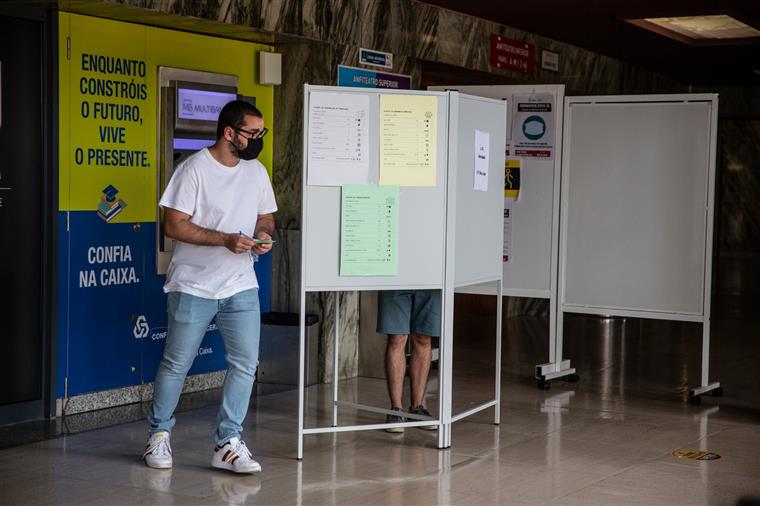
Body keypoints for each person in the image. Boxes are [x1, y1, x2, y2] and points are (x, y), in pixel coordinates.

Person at [142, 100, 276, 474]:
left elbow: (266, 215)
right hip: (193, 285)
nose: (258, 139)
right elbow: (174, 225)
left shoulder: (256, 171)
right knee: (176, 364)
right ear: (229, 133)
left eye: (261, 132)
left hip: (240, 284)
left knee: (245, 364)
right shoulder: (194, 170)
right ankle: (158, 436)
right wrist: (225, 240)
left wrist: (263, 234)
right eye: (253, 133)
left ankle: (228, 442)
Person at [377, 289, 440, 432]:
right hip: (396, 277)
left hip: (430, 276)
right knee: (397, 338)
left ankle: (417, 408)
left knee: (423, 337)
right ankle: (396, 410)